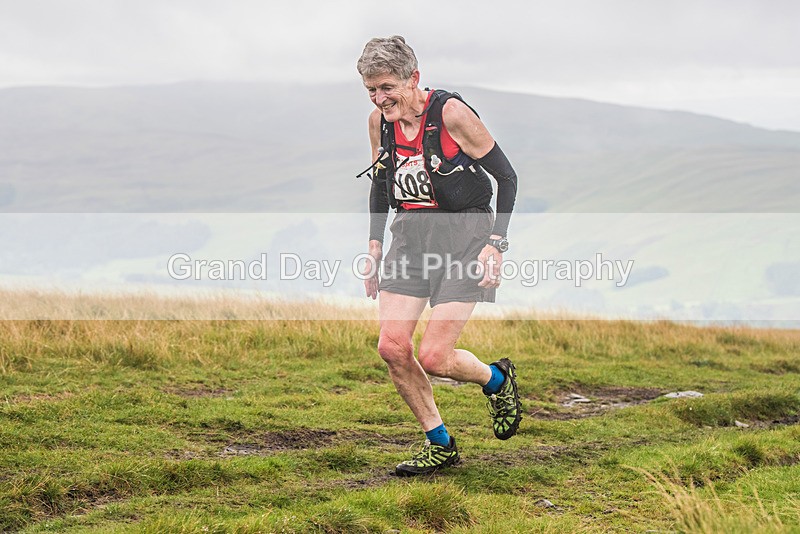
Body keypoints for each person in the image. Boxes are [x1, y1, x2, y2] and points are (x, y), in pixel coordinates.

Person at [357, 35, 522, 476]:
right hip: (410, 237)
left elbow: (507, 178)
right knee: (392, 348)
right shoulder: (380, 123)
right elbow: (381, 184)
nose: (379, 98)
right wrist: (374, 245)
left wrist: (496, 243)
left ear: (413, 78)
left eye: (387, 87)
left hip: (465, 236)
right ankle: (439, 444)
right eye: (371, 89)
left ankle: (497, 380)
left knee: (434, 356)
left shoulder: (451, 113)